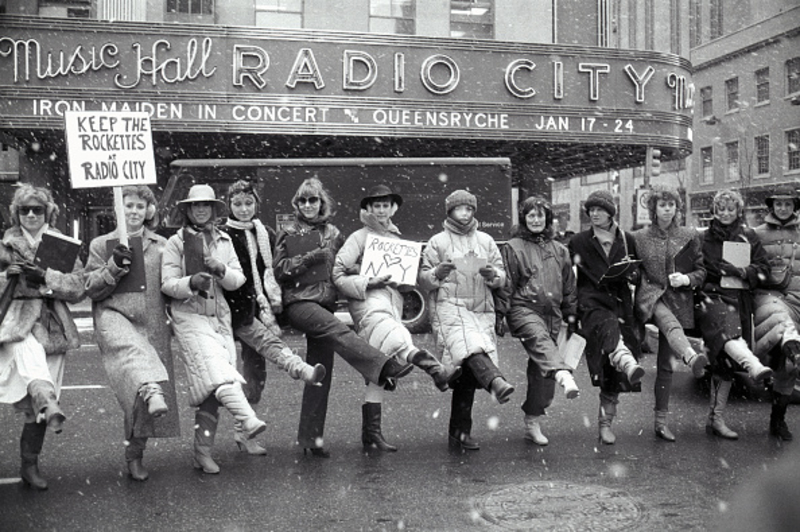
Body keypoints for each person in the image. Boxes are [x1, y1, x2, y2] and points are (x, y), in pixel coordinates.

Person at [273, 178, 413, 458]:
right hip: (300, 303)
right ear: (296, 204)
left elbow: (343, 268)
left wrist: (371, 271)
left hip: (324, 303)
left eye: (313, 200)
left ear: (321, 203)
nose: (308, 205)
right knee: (339, 331)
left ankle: (311, 439)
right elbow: (280, 270)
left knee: (319, 372)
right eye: (303, 200)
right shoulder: (288, 231)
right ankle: (383, 367)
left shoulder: (334, 232)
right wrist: (311, 257)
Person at [333, 185, 462, 452]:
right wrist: (368, 280)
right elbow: (338, 274)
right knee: (394, 335)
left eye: (386, 205)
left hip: (391, 303)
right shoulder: (358, 237)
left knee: (377, 371)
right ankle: (433, 368)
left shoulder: (397, 239)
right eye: (376, 205)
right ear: (368, 209)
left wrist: (430, 274)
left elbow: (411, 280)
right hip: (368, 303)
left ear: (393, 209)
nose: (381, 210)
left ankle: (371, 435)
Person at [161, 183, 267, 474]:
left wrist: (221, 270)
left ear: (213, 209)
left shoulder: (224, 240)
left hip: (220, 320)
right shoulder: (175, 242)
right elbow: (167, 284)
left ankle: (202, 452)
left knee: (211, 390)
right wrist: (190, 283)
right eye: (196, 205)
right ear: (187, 210)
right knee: (219, 373)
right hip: (189, 316)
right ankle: (247, 418)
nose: (201, 209)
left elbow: (239, 279)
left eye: (206, 205)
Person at [220, 180, 325, 455]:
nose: (244, 209)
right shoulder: (223, 234)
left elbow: (274, 268)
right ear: (229, 206)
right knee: (226, 376)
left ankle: (243, 433)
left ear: (256, 204)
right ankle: (298, 368)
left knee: (255, 376)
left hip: (260, 309)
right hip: (235, 311)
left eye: (249, 203)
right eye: (238, 204)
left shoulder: (264, 232)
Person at [84, 185, 180, 481]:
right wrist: (113, 266)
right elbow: (90, 287)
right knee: (137, 386)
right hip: (118, 321)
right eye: (129, 206)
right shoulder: (101, 244)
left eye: (140, 206)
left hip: (152, 324)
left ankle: (136, 451)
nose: (134, 211)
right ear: (118, 210)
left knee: (146, 396)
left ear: (148, 210)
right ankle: (133, 456)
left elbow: (171, 284)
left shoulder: (163, 245)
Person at [418, 189, 517, 451]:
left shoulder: (486, 240)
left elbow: (502, 276)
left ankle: (459, 433)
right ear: (449, 211)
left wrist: (492, 274)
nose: (465, 213)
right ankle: (496, 382)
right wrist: (437, 272)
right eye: (460, 209)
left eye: (469, 209)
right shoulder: (437, 241)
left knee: (466, 373)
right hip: (448, 307)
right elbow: (423, 278)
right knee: (470, 346)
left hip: (480, 309)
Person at [0, 184, 85, 490]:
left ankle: (29, 464)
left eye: (38, 209)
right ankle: (47, 402)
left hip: (52, 323)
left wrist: (46, 279)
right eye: (25, 210)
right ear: (16, 214)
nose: (32, 215)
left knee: (34, 412)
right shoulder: (5, 245)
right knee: (30, 361)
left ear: (48, 211)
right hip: (16, 320)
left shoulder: (61, 244)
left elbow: (78, 288)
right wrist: (7, 275)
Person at [495, 195, 580, 447]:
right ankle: (564, 375)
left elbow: (569, 287)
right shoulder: (513, 247)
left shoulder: (560, 250)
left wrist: (571, 315)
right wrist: (500, 314)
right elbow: (506, 285)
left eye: (540, 215)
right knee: (541, 342)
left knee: (541, 372)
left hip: (552, 314)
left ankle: (533, 420)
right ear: (524, 218)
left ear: (547, 218)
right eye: (530, 215)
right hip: (523, 309)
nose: (535, 219)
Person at [568, 189, 644, 445]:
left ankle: (605, 424)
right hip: (592, 304)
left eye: (599, 209)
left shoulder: (627, 239)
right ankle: (625, 359)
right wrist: (570, 309)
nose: (594, 214)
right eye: (590, 210)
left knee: (612, 376)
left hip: (621, 305)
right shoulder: (578, 241)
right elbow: (567, 276)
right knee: (609, 331)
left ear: (611, 212)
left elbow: (637, 270)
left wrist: (630, 274)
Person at [695, 189, 772, 440]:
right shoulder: (703, 239)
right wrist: (714, 272)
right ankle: (753, 366)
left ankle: (715, 418)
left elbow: (764, 271)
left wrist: (740, 271)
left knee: (725, 364)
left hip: (739, 302)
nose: (725, 213)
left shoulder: (749, 236)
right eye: (720, 209)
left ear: (739, 211)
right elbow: (695, 270)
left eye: (730, 209)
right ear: (714, 211)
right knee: (722, 354)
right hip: (712, 301)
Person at [633, 185, 708, 442]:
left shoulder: (689, 235)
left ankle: (661, 422)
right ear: (653, 208)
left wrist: (686, 279)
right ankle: (689, 355)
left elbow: (701, 271)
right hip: (651, 298)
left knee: (665, 365)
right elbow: (632, 268)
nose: (666, 209)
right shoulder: (639, 237)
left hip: (678, 301)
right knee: (665, 320)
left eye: (671, 205)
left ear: (677, 208)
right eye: (662, 205)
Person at [753, 185, 800, 441]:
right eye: (778, 204)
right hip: (770, 298)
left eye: (788, 204)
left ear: (794, 207)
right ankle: (791, 342)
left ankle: (778, 418)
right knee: (781, 320)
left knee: (789, 368)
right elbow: (748, 270)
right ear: (772, 207)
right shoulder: (756, 234)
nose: (783, 208)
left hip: (798, 300)